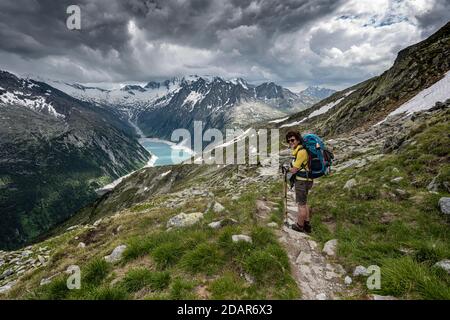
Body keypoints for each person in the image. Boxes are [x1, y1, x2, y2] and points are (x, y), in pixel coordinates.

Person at [286, 131, 313, 233]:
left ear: (298, 139)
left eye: (292, 140)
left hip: (301, 181)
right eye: (289, 141)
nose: (290, 142)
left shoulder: (301, 152)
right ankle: (307, 224)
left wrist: (287, 169)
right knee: (305, 202)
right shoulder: (301, 150)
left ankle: (300, 226)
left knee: (301, 204)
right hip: (307, 180)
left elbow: (294, 169)